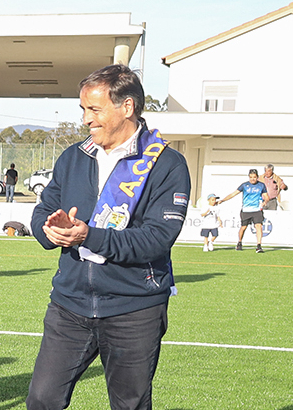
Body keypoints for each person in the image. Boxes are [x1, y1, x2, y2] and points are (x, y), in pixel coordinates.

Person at [27, 64, 189, 410]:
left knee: (130, 405)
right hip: (69, 305)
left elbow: (157, 239)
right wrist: (49, 229)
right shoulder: (73, 157)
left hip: (135, 309)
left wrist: (88, 236)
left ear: (126, 107)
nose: (86, 119)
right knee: (41, 399)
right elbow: (43, 211)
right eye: (84, 109)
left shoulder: (167, 164)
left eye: (94, 109)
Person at [213, 169, 269, 253]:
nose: (252, 179)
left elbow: (266, 196)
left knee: (259, 226)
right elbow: (233, 194)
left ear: (257, 177)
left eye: (254, 177)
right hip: (246, 210)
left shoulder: (261, 185)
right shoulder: (244, 185)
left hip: (257, 210)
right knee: (243, 227)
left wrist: (265, 202)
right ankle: (239, 242)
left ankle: (259, 245)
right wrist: (223, 200)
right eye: (251, 177)